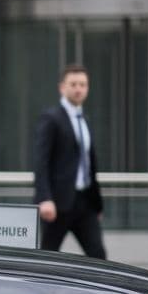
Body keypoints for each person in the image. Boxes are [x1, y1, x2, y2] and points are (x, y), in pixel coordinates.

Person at [33, 65, 106, 259]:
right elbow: (41, 161)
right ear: (62, 87)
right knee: (47, 257)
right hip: (57, 203)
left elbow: (89, 164)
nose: (78, 89)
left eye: (83, 84)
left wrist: (97, 205)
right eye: (73, 84)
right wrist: (45, 198)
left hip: (85, 202)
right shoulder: (51, 118)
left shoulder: (84, 119)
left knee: (98, 256)